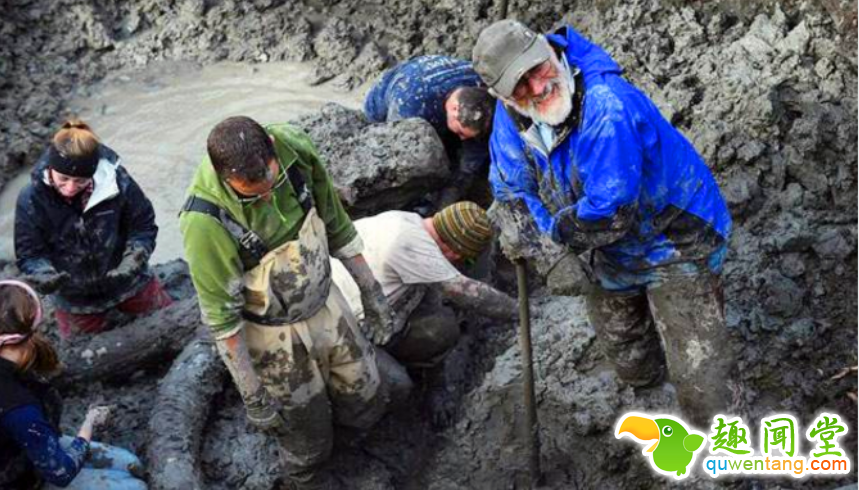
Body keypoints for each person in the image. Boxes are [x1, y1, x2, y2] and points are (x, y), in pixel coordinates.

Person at [472, 20, 734, 426]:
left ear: (548, 49)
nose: (537, 88)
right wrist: (546, 249)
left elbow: (612, 211)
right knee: (626, 348)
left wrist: (553, 239)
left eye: (537, 70)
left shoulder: (606, 107)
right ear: (499, 96)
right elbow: (509, 189)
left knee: (699, 368)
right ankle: (654, 404)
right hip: (599, 248)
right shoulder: (511, 118)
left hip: (674, 237)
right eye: (519, 86)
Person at [179, 116, 407, 489]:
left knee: (366, 393)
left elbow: (334, 221)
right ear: (225, 179)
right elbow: (223, 321)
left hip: (325, 301)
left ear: (271, 145)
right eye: (253, 194)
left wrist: (372, 291)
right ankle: (308, 479)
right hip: (271, 335)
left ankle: (355, 453)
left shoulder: (294, 149)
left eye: (272, 183)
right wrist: (251, 393)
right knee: (305, 432)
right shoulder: (204, 221)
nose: (268, 197)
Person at [14, 119, 172, 339]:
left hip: (130, 281)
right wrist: (43, 274)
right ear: (51, 168)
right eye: (63, 179)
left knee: (170, 323)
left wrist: (135, 256)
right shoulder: (31, 198)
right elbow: (30, 254)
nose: (70, 188)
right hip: (74, 299)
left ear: (93, 172)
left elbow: (143, 225)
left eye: (80, 181)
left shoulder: (117, 182)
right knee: (80, 354)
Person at [331, 201, 517, 367]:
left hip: (331, 300)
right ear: (456, 254)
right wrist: (519, 311)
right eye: (464, 260)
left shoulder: (403, 219)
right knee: (442, 330)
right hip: (346, 333)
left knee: (430, 298)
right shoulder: (415, 247)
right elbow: (466, 292)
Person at [0, 279, 147, 490]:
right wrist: (89, 424)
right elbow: (60, 472)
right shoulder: (18, 404)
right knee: (135, 487)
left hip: (24, 448)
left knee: (130, 463)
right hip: (18, 479)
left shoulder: (17, 371)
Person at [364, 55, 496, 206]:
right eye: (460, 132)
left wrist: (459, 184)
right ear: (454, 109)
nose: (463, 139)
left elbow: (477, 147)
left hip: (436, 94)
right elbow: (398, 157)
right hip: (389, 94)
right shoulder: (410, 105)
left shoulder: (480, 85)